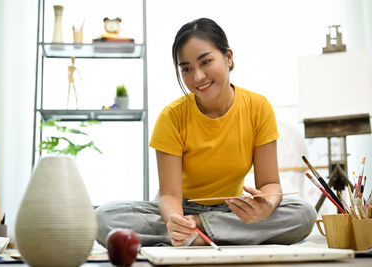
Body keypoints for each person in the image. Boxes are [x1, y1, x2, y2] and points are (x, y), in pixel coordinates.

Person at [95, 18, 316, 248]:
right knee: (104, 217)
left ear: (228, 57)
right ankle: (201, 234)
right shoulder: (171, 116)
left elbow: (270, 183)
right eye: (187, 69)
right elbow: (169, 195)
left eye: (206, 62)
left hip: (232, 208)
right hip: (181, 209)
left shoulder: (258, 107)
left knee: (303, 213)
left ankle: (198, 234)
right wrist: (175, 220)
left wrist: (265, 207)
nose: (198, 77)